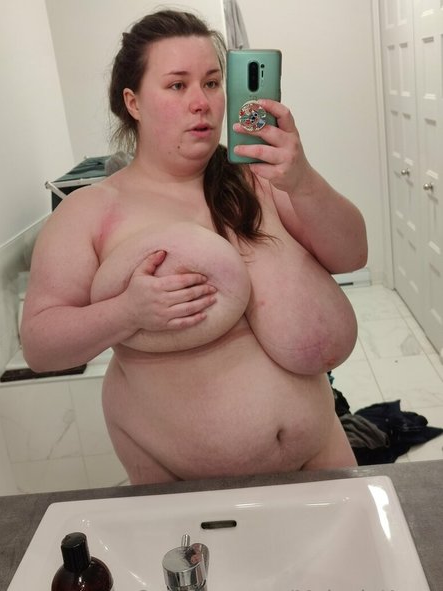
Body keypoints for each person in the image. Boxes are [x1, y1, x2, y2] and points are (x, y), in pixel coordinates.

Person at [21, 9, 368, 485]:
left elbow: (353, 254)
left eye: (211, 83)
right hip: (189, 491)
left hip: (321, 450)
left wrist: (303, 179)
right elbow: (40, 346)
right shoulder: (92, 212)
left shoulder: (258, 179)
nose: (201, 102)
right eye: (177, 85)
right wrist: (127, 311)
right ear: (133, 102)